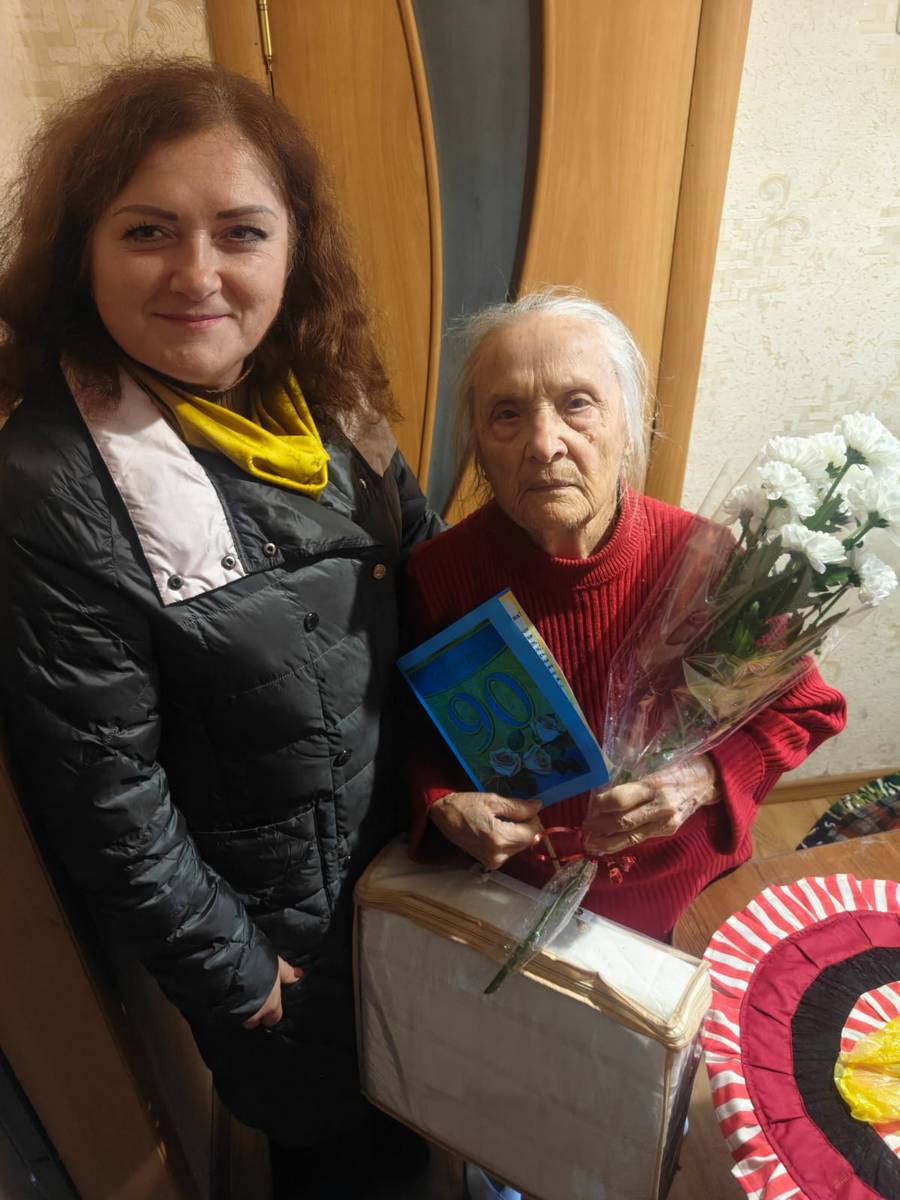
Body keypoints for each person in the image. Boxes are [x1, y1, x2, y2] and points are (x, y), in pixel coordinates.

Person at [0, 59, 440, 1198]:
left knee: (438, 1108)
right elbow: (106, 792)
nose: (198, 275)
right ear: (83, 250)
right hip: (286, 955)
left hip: (417, 866)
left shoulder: (324, 391)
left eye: (241, 232)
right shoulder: (54, 480)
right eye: (148, 231)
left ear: (294, 249)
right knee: (345, 1163)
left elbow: (428, 572)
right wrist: (240, 974)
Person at [406, 291, 847, 945]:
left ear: (631, 425)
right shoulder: (441, 574)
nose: (543, 444)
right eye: (507, 413)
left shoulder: (703, 560)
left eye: (577, 404)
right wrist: (441, 803)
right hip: (513, 897)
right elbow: (414, 734)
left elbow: (806, 709)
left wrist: (702, 780)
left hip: (687, 895)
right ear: (476, 441)